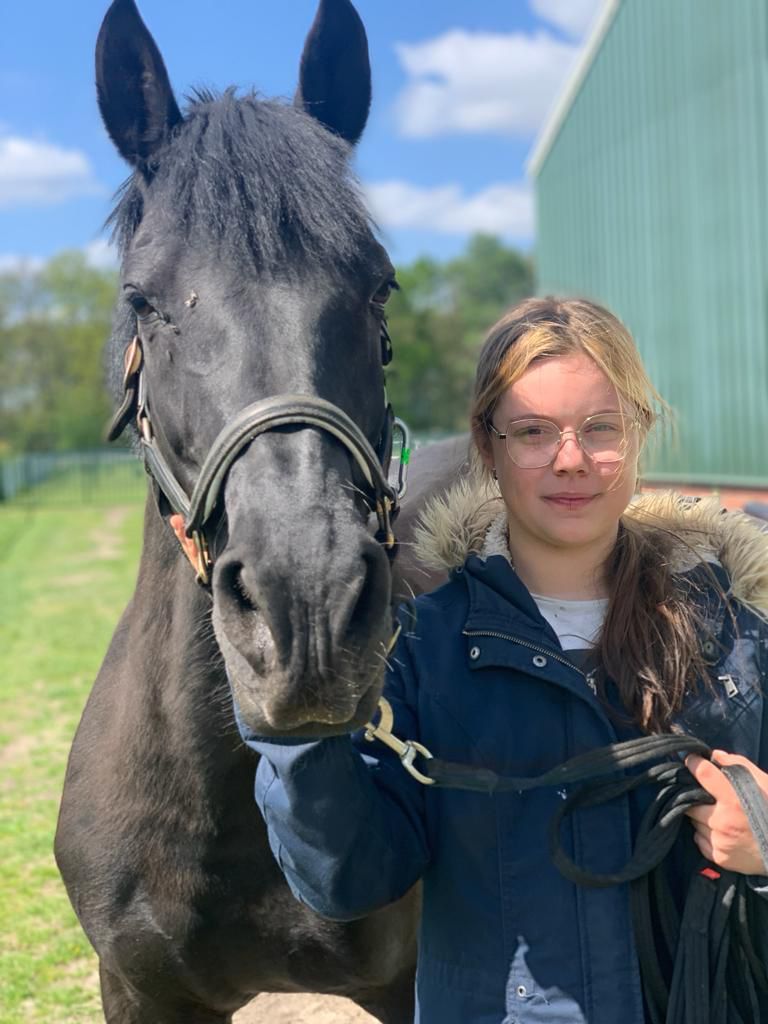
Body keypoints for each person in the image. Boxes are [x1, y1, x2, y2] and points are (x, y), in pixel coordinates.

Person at [238, 296, 768, 1023]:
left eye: (601, 428)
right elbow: (349, 879)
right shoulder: (421, 653)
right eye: (532, 432)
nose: (571, 459)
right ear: (487, 450)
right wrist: (296, 720)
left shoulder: (736, 630)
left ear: (639, 433)